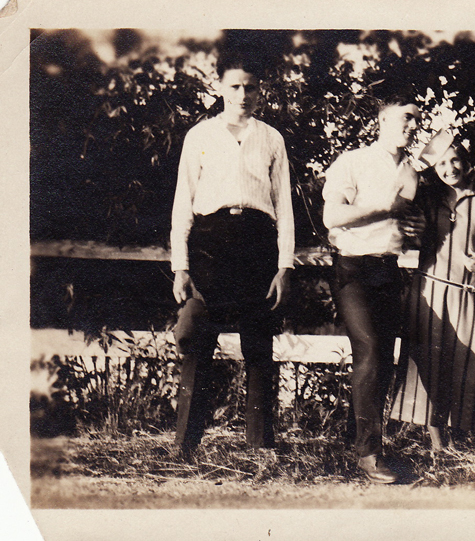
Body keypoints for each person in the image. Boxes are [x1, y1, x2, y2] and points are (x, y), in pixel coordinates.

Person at [170, 51, 295, 458]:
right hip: (211, 241)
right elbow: (182, 204)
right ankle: (185, 444)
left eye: (251, 87)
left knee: (258, 342)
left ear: (260, 91)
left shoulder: (271, 138)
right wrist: (180, 266)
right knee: (199, 336)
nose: (243, 94)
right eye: (235, 86)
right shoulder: (200, 136)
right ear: (220, 88)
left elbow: (285, 207)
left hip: (258, 242)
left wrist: (284, 266)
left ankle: (261, 446)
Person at [321, 97, 424, 483]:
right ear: (382, 120)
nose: (411, 125)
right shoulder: (354, 160)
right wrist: (386, 208)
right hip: (353, 268)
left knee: (383, 359)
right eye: (404, 117)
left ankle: (357, 438)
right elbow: (332, 215)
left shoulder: (412, 173)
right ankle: (370, 455)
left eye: (416, 119)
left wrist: (417, 228)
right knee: (368, 350)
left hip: (388, 269)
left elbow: (411, 226)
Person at [389, 130, 475, 451]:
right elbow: (402, 209)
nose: (450, 167)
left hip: (469, 295)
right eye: (442, 163)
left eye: (455, 160)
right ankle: (438, 442)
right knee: (429, 362)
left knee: (464, 366)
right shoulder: (426, 199)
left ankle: (457, 437)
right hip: (431, 290)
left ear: (466, 163)